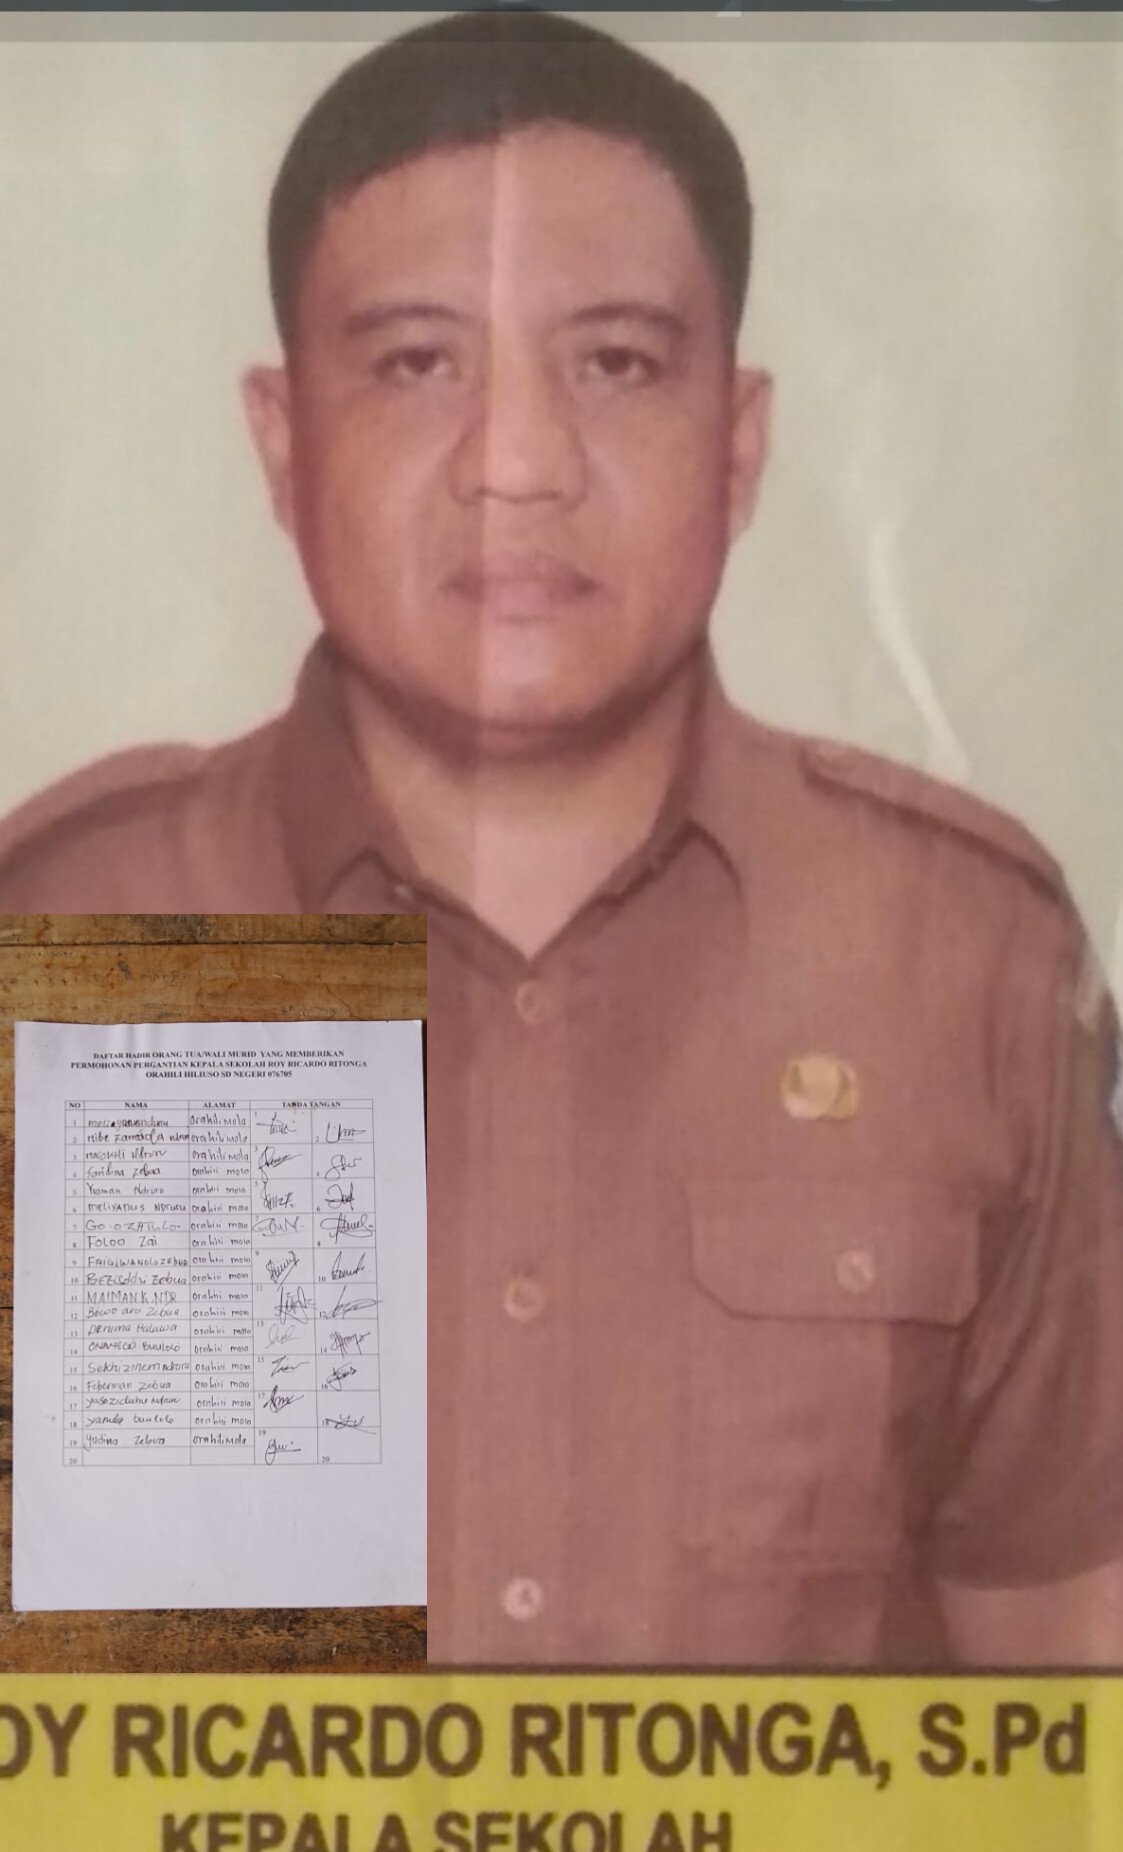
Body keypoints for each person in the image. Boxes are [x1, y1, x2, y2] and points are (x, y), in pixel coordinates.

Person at [2, 9, 1123, 1666]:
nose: (518, 466)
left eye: (615, 365)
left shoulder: (960, 957)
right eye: (416, 363)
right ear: (283, 443)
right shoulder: (80, 936)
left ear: (738, 443)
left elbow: (1069, 1681)